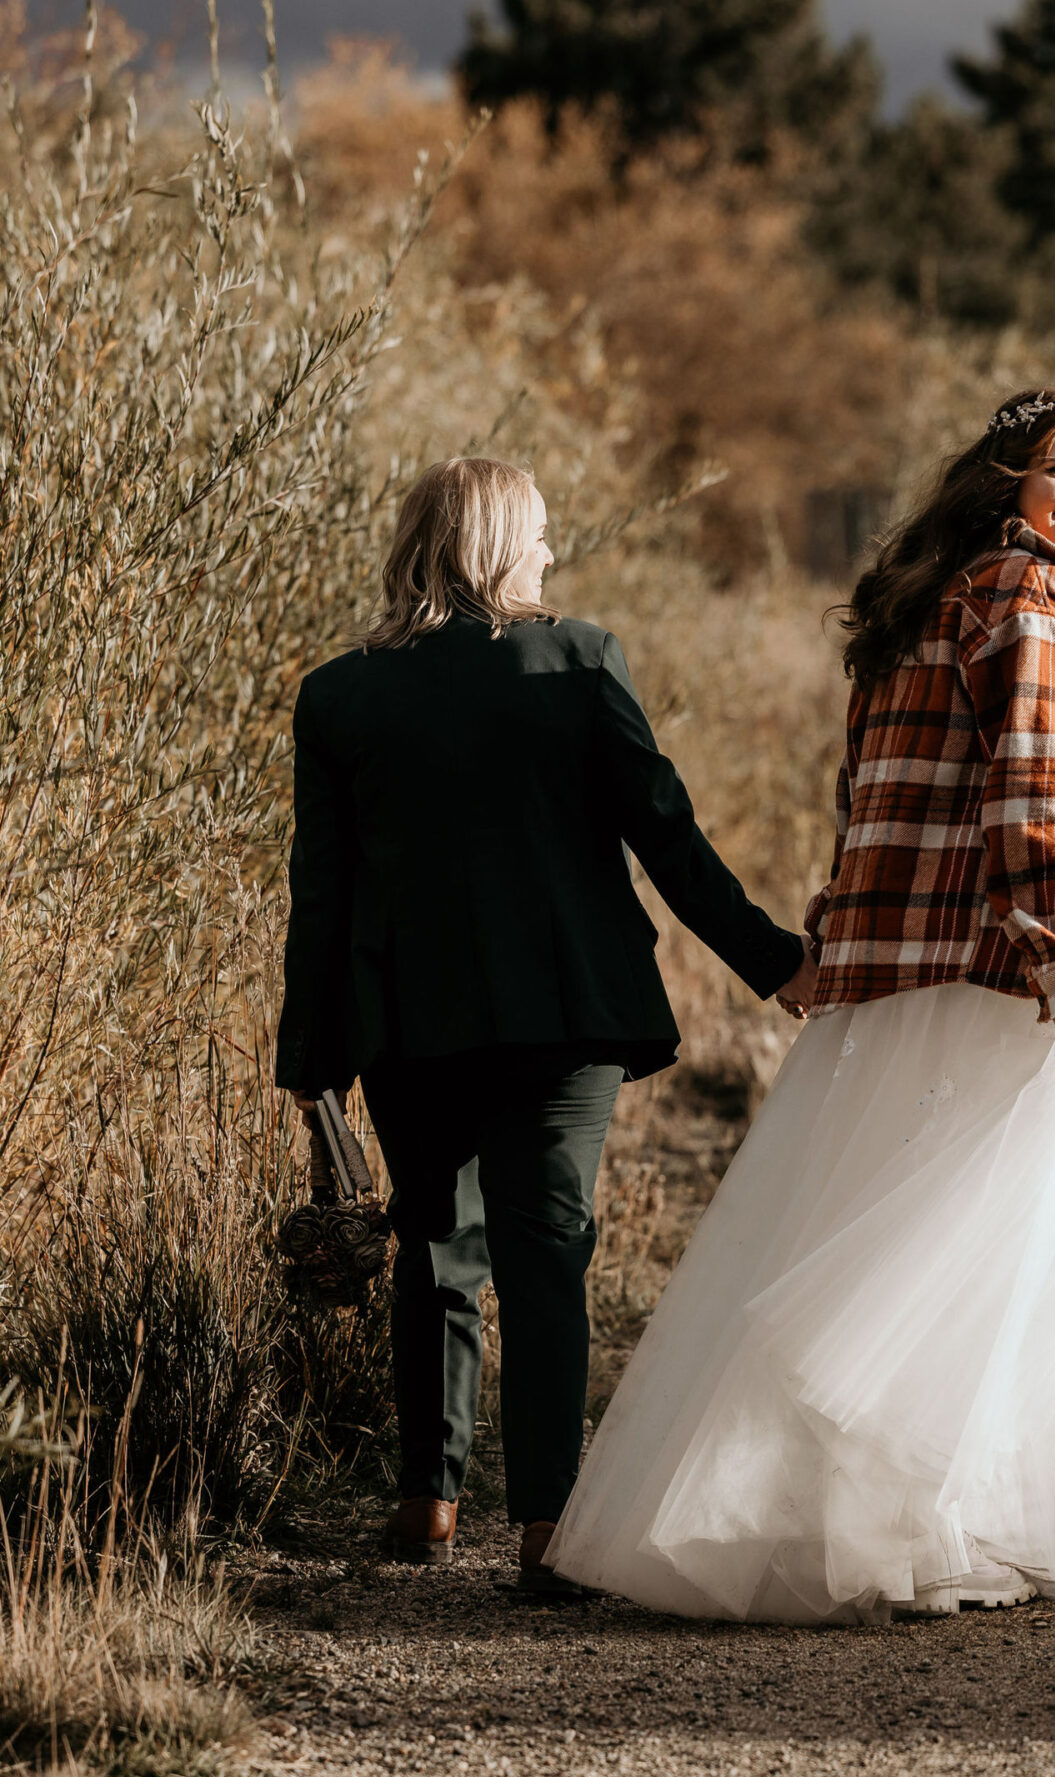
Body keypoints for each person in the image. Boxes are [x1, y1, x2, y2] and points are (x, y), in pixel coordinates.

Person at [544, 390, 1055, 1620]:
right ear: (1007, 474)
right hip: (1013, 948)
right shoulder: (1032, 601)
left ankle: (888, 1513)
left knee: (911, 1217)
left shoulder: (924, 599)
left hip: (906, 952)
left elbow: (869, 793)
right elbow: (1033, 788)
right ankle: (935, 1500)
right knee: (1032, 1240)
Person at [275, 455, 813, 1588]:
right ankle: (547, 1533)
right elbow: (667, 834)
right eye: (544, 535)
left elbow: (319, 893)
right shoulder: (576, 660)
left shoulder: (339, 694)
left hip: (408, 1019)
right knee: (547, 1254)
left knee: (436, 1246)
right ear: (500, 544)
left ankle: (429, 1500)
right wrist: (774, 964)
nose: (554, 554)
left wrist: (310, 1055)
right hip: (563, 1012)